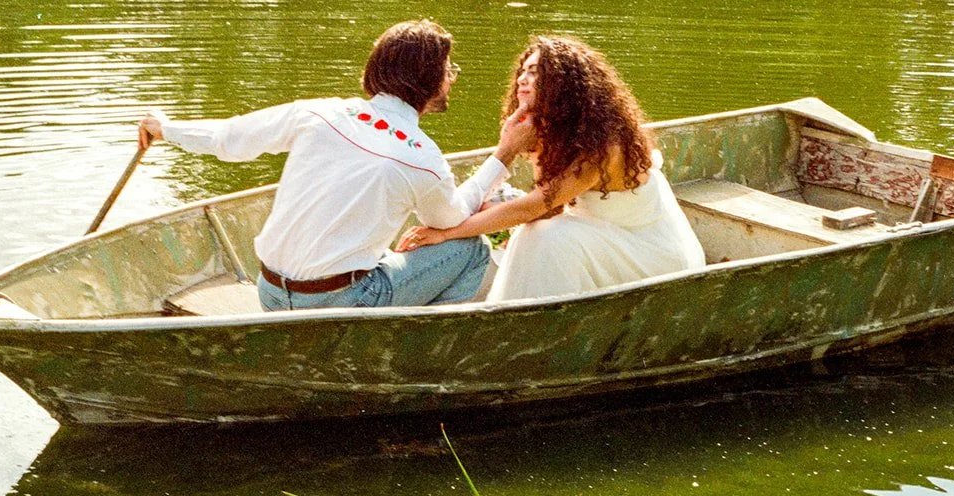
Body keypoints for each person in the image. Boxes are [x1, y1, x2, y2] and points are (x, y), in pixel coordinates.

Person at [138, 19, 532, 311]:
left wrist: (166, 128)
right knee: (472, 248)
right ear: (429, 80)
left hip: (270, 293)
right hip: (342, 303)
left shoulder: (319, 112)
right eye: (449, 70)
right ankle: (411, 348)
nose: (453, 78)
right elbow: (451, 221)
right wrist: (504, 154)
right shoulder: (421, 156)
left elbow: (230, 137)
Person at [398, 34, 706, 301]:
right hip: (610, 239)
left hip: (653, 256)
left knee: (548, 237)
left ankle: (525, 320)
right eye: (522, 71)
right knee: (540, 231)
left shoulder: (605, 145)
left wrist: (448, 232)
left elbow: (534, 207)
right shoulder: (554, 131)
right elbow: (547, 209)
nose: (521, 79)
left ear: (563, 84)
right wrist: (525, 142)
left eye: (535, 73)